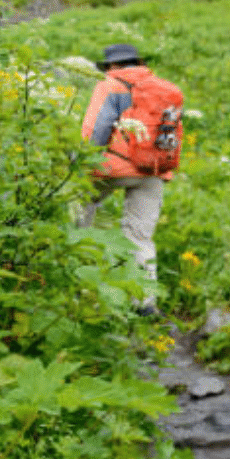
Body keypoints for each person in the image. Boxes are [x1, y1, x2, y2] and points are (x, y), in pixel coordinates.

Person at [78, 43, 173, 316]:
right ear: (139, 62)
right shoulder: (164, 88)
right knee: (140, 235)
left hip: (114, 167)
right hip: (154, 169)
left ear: (112, 67)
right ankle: (145, 305)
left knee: (78, 203)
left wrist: (82, 164)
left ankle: (76, 274)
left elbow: (96, 129)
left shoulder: (111, 85)